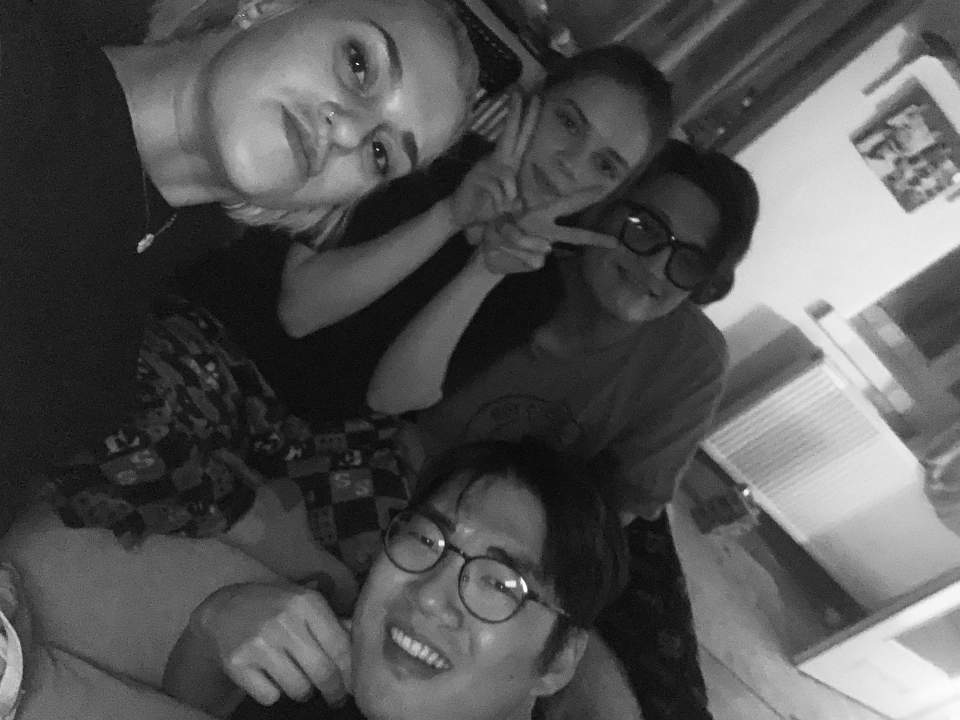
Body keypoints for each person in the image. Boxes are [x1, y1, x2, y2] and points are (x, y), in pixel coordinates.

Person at [0, 0, 478, 518]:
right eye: (359, 64)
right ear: (267, 7)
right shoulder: (21, 64)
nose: (348, 133)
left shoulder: (146, 263)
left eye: (380, 153)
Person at [366, 140, 759, 720]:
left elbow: (627, 505)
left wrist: (550, 592)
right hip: (435, 485)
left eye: (689, 260)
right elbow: (388, 405)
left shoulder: (692, 358)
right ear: (604, 208)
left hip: (582, 512)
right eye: (643, 228)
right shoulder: (511, 265)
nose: (655, 267)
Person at [181, 44, 673, 426]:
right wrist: (449, 216)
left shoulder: (537, 285)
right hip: (214, 338)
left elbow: (389, 397)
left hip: (289, 428)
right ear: (531, 105)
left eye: (604, 166)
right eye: (568, 123)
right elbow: (299, 310)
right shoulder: (424, 146)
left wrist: (483, 273)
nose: (571, 163)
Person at [162, 439, 628, 720]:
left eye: (500, 585)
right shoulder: (328, 664)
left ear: (559, 662)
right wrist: (211, 626)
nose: (429, 597)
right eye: (426, 539)